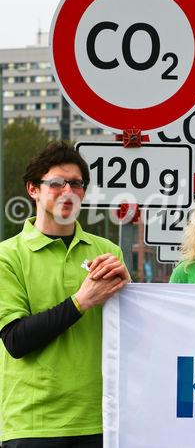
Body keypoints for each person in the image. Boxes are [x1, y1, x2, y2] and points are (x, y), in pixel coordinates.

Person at [0, 141, 131, 447]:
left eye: (76, 184)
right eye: (57, 183)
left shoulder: (108, 251)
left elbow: (132, 334)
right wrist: (82, 301)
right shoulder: (7, 256)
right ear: (33, 189)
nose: (68, 191)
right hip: (33, 424)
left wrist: (130, 291)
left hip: (102, 418)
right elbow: (16, 340)